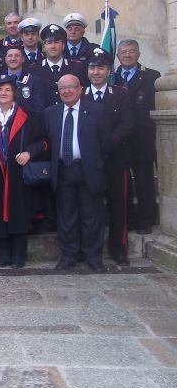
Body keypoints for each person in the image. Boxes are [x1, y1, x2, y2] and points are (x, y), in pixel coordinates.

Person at [0, 75, 46, 268]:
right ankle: (3, 255)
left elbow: (43, 142)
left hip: (18, 173)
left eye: (7, 90)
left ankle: (19, 256)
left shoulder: (28, 115)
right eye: (0, 90)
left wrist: (29, 153)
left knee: (19, 213)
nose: (3, 93)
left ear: (14, 93)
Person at [45, 74, 109, 272]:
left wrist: (95, 162)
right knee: (66, 216)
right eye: (62, 88)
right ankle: (69, 255)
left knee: (91, 216)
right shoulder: (50, 113)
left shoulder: (96, 111)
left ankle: (93, 256)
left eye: (71, 87)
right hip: (63, 169)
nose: (66, 91)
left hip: (88, 169)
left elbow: (105, 142)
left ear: (80, 89)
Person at [85, 48, 134, 265]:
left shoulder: (121, 94)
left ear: (108, 70)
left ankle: (118, 247)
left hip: (115, 159)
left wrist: (108, 143)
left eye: (100, 67)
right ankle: (90, 248)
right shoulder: (81, 94)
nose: (96, 72)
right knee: (91, 206)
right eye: (92, 67)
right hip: (90, 161)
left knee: (117, 205)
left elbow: (128, 124)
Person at [115, 38, 161, 234]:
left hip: (142, 137)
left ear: (138, 54)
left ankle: (146, 220)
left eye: (131, 51)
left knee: (144, 182)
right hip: (120, 139)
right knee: (121, 184)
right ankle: (128, 220)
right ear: (118, 56)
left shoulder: (151, 76)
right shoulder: (112, 77)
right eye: (123, 52)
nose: (127, 55)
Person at [30, 24, 89, 105]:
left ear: (63, 45)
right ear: (44, 46)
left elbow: (84, 94)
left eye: (57, 42)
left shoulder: (77, 67)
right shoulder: (33, 70)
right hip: (43, 116)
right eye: (49, 43)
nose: (53, 46)